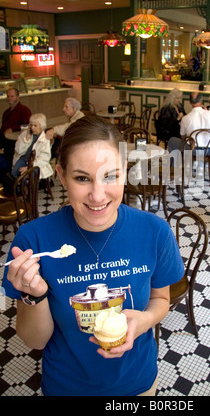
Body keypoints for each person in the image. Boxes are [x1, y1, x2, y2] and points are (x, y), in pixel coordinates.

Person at [1, 115, 184, 396]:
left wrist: (144, 321)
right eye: (82, 178)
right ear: (61, 175)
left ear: (124, 170)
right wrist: (34, 294)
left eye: (110, 176)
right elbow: (34, 341)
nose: (97, 196)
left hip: (138, 383)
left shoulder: (154, 231)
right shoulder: (34, 241)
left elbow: (161, 298)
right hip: (67, 386)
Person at [168, 92, 210, 156]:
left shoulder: (185, 118)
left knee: (172, 141)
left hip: (193, 150)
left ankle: (176, 164)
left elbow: (183, 136)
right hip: (209, 150)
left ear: (190, 103)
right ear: (201, 101)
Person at [0, 88, 31, 179]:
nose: (9, 98)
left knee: (8, 159)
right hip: (4, 139)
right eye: (8, 96)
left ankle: (9, 175)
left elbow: (27, 125)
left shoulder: (24, 110)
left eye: (12, 96)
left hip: (14, 142)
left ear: (18, 97)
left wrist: (13, 129)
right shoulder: (6, 112)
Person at [11, 113, 53, 180]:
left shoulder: (45, 139)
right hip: (23, 159)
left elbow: (44, 158)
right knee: (14, 174)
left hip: (36, 163)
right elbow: (18, 150)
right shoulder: (25, 134)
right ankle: (19, 189)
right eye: (31, 125)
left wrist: (28, 167)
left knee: (26, 176)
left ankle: (25, 189)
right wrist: (26, 139)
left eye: (35, 125)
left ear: (41, 126)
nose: (32, 128)